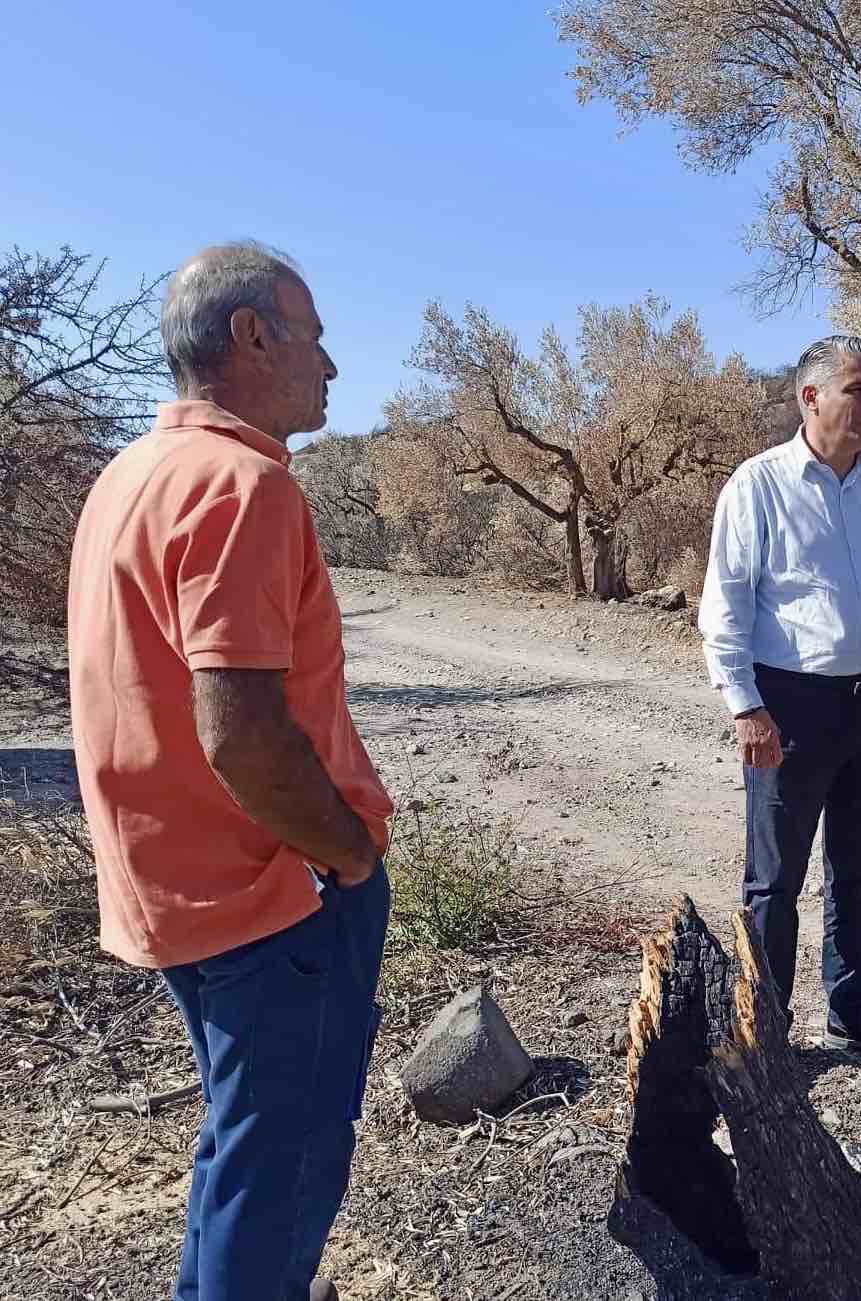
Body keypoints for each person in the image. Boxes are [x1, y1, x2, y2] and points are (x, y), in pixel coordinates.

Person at [67, 241, 393, 1301]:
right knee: (284, 1171)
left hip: (178, 895)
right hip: (273, 898)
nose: (332, 367)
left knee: (243, 1147)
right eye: (315, 337)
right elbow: (242, 731)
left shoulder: (129, 474)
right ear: (251, 336)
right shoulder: (241, 482)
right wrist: (343, 854)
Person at [699, 335, 861, 1065]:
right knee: (774, 878)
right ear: (811, 397)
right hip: (787, 706)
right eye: (856, 391)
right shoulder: (757, 485)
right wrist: (744, 705)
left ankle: (851, 1010)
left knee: (860, 867)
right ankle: (764, 1027)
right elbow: (724, 607)